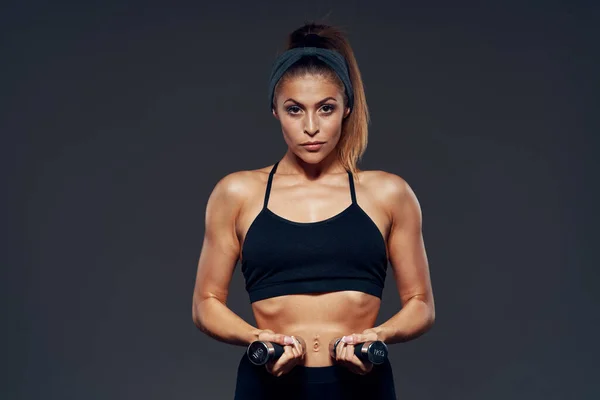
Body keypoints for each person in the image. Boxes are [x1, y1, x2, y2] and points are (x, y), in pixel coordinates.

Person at [192, 22, 435, 400]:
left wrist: (378, 335)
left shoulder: (389, 193)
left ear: (347, 109)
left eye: (325, 108)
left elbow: (421, 303)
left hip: (363, 384)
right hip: (268, 383)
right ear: (275, 110)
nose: (310, 127)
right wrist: (257, 337)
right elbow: (205, 303)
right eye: (294, 110)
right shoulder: (237, 193)